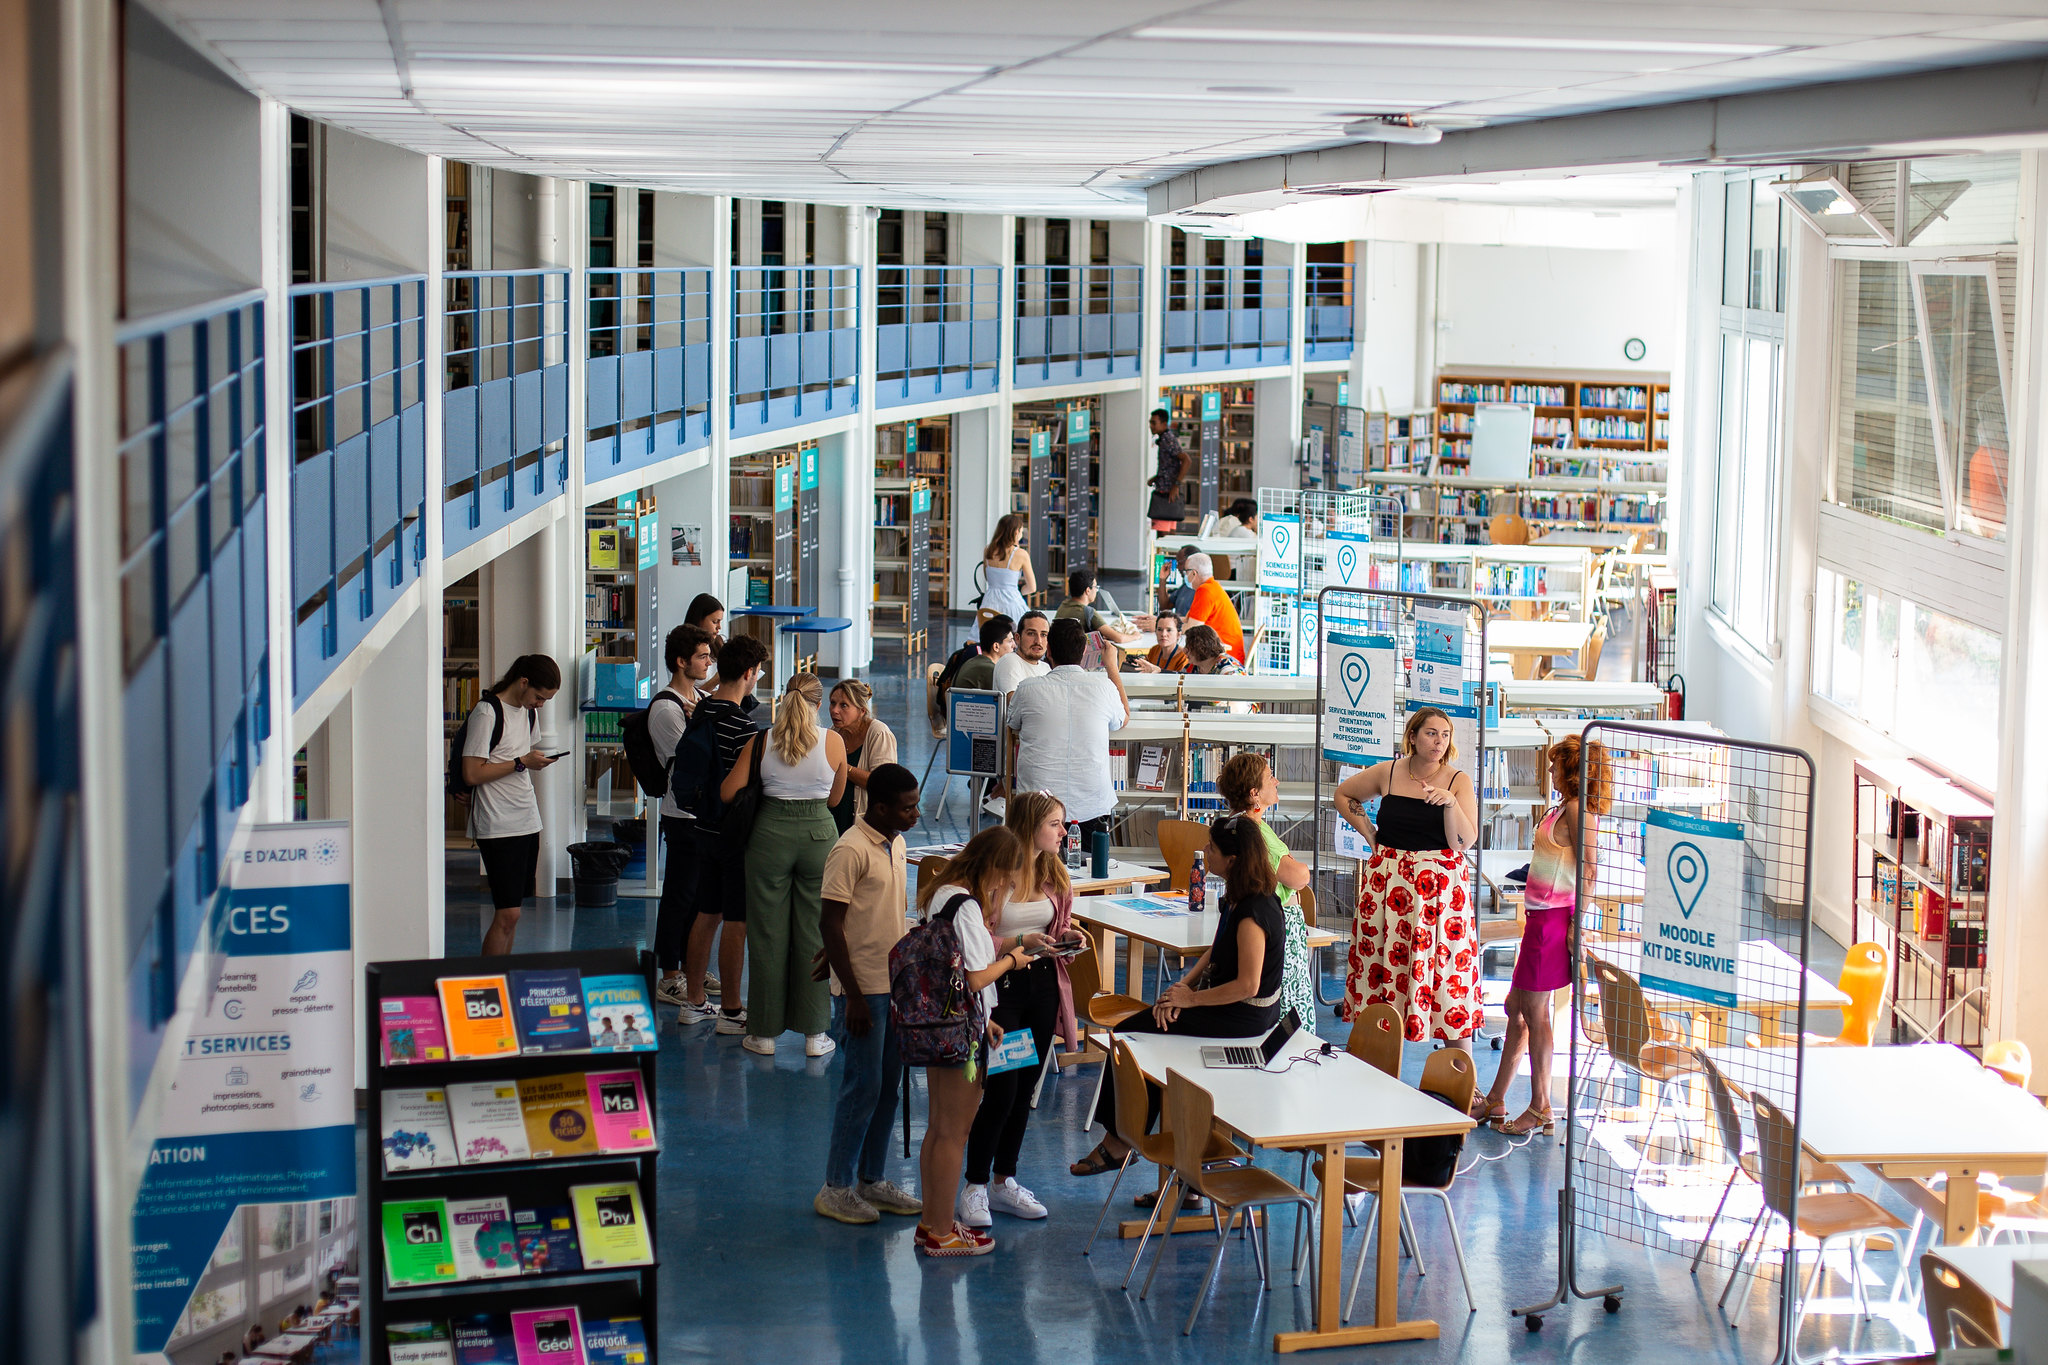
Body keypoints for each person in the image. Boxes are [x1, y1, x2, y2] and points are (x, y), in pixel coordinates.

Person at [1071, 814, 1286, 1177]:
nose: (1204, 851)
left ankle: (1119, 1143)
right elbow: (1216, 951)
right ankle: (1143, 1149)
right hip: (1223, 1003)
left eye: (1212, 848)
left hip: (1244, 1016)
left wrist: (1191, 1000)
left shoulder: (1255, 911)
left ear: (1232, 860)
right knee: (1151, 1021)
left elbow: (1247, 986)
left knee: (1132, 1035)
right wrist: (1184, 984)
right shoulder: (1237, 895)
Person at [910, 827, 1052, 1257]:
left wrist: (986, 1016)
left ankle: (932, 1222)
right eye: (1007, 879)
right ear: (995, 867)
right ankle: (940, 1232)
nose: (1005, 888)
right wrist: (1012, 959)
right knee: (956, 1133)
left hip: (942, 1022)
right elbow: (974, 976)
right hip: (960, 1034)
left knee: (937, 1129)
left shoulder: (943, 894)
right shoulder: (969, 907)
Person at [960, 791, 1087, 1228]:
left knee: (1025, 1090)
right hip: (1002, 987)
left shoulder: (1057, 874)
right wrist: (1019, 943)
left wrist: (1071, 938)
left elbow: (1060, 925)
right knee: (1002, 1089)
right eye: (1054, 823)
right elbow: (973, 941)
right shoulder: (996, 874)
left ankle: (1004, 1180)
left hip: (1042, 986)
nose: (1063, 831)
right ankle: (974, 1185)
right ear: (1030, 824)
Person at [1474, 736, 1608, 1135]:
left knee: (1534, 1012)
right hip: (1538, 919)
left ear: (1569, 771)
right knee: (1516, 1006)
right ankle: (1497, 1100)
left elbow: (1590, 870)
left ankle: (1541, 1106)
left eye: (1554, 766)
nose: (1548, 771)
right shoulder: (1559, 808)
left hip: (1553, 921)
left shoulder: (1576, 810)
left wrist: (1576, 925)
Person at [813, 763, 927, 1225]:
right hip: (865, 993)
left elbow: (872, 915)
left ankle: (872, 1180)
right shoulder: (850, 850)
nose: (916, 813)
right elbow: (830, 921)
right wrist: (853, 995)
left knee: (888, 1091)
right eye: (907, 807)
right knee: (862, 1088)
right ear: (879, 807)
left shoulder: (895, 842)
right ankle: (835, 1187)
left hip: (894, 986)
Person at [1334, 706, 1480, 1047]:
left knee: (1445, 973)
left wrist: (1450, 805)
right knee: (1383, 964)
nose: (1439, 741)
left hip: (1437, 896)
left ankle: (1460, 1070)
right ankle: (1379, 1061)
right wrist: (1369, 833)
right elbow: (1344, 794)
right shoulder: (1388, 772)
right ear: (1412, 737)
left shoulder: (1459, 781)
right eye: (1431, 733)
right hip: (1388, 888)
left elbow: (1464, 841)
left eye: (1445, 735)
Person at [722, 671, 848, 1058]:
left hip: (768, 838)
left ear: (782, 697)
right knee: (815, 933)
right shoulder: (833, 741)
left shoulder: (760, 741)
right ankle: (814, 1035)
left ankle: (763, 1034)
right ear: (819, 703)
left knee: (767, 935)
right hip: (818, 839)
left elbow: (728, 793)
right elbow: (834, 801)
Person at [679, 634, 769, 1029]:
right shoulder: (744, 728)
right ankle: (732, 1010)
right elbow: (748, 787)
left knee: (706, 913)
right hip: (734, 836)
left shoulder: (700, 711)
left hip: (701, 826)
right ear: (749, 673)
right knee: (737, 921)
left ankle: (694, 1000)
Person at [459, 653, 561, 956]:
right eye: (539, 697)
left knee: (513, 914)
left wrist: (529, 763)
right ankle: (489, 983)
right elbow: (472, 772)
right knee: (508, 913)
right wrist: (520, 763)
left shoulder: (528, 713)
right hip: (497, 822)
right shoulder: (487, 713)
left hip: (527, 819)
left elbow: (519, 757)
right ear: (523, 682)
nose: (540, 705)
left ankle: (503, 979)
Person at [1006, 618, 1128, 842]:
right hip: (1091, 803)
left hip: (1038, 804)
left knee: (1034, 870)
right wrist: (1111, 665)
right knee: (1092, 870)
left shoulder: (1027, 689)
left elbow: (1012, 723)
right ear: (1083, 652)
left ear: (1048, 650)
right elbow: (1123, 718)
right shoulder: (1103, 687)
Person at [1217, 752, 1314, 1028]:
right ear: (1254, 793)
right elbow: (1297, 877)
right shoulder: (1255, 832)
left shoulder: (1239, 823)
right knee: (1290, 1009)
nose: (1277, 781)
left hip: (1268, 918)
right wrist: (1297, 866)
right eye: (1270, 777)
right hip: (1281, 922)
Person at [651, 624, 718, 1009]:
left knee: (698, 897)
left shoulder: (696, 697)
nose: (709, 662)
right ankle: (670, 975)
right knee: (679, 896)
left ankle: (693, 968)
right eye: (702, 656)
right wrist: (703, 721)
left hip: (702, 813)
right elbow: (694, 756)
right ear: (681, 662)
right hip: (681, 814)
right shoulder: (665, 707)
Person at [825, 679, 898, 836]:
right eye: (832, 703)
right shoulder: (835, 732)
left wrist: (844, 767)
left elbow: (882, 784)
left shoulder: (879, 733)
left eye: (843, 705)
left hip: (865, 824)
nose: (834, 710)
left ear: (862, 711)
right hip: (835, 817)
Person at [1181, 552, 1245, 664]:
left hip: (1225, 658)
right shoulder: (1213, 587)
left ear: (1194, 573)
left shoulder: (1205, 591)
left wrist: (1166, 628)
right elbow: (1187, 620)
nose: (1185, 576)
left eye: (1186, 572)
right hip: (1227, 654)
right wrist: (1162, 622)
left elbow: (1191, 629)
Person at [1055, 569, 1140, 646]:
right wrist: (1135, 636)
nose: (1096, 590)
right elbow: (1119, 638)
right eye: (1095, 587)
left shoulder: (1063, 605)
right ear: (1088, 590)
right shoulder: (1088, 612)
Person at [980, 513, 1034, 621]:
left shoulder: (988, 550)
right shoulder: (1021, 554)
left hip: (989, 604)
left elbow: (988, 578)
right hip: (1012, 604)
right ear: (1016, 532)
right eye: (1022, 532)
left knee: (986, 634)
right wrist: (1017, 591)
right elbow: (1032, 587)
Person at [992, 610, 1050, 700]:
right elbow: (1014, 703)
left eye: (1043, 635)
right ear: (1018, 638)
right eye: (1031, 633)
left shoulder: (1046, 668)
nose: (1038, 641)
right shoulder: (1009, 661)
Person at [953, 614, 1013, 695]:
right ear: (996, 646)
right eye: (1010, 641)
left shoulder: (973, 661)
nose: (1014, 645)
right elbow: (1009, 700)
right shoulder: (990, 669)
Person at [1148, 408, 1184, 533]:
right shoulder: (1165, 438)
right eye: (1150, 422)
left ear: (1163, 424)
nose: (1151, 426)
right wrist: (1156, 477)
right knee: (1169, 532)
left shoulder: (1167, 440)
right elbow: (1170, 464)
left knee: (1162, 533)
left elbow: (1187, 460)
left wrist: (1176, 485)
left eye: (1154, 423)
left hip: (1165, 493)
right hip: (1167, 491)